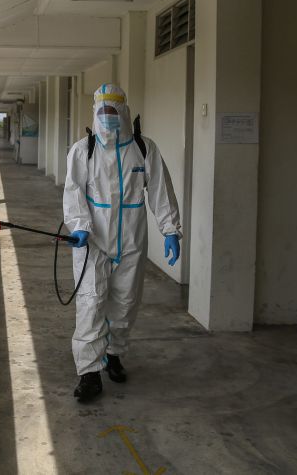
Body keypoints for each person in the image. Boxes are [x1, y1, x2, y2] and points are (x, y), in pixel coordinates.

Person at [62, 83, 182, 402]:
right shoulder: (83, 150)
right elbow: (73, 192)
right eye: (102, 111)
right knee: (90, 301)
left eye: (113, 111)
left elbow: (159, 190)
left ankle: (113, 354)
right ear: (94, 113)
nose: (108, 117)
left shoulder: (143, 149)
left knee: (125, 302)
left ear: (124, 112)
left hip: (131, 238)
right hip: (93, 241)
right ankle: (88, 372)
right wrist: (79, 226)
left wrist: (170, 229)